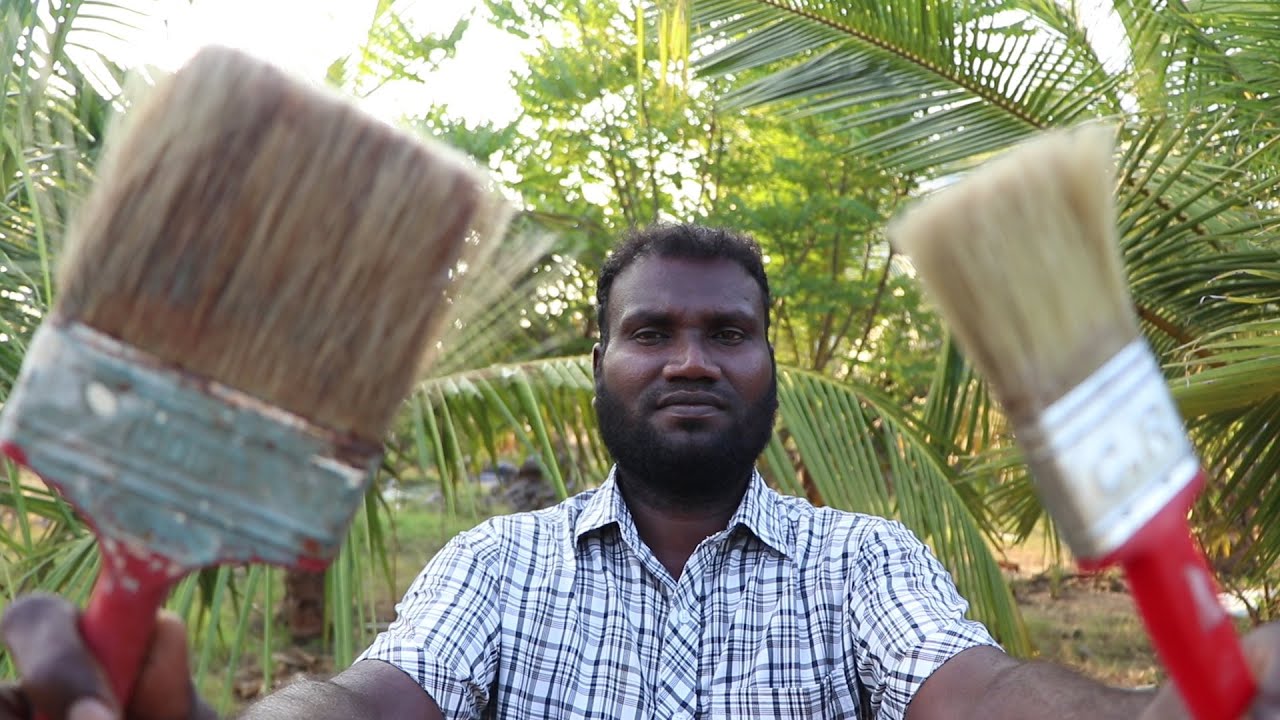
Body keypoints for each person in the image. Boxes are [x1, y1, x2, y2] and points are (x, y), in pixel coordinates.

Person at [3, 223, 1279, 720]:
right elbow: (362, 703)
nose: (690, 360)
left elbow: (982, 691)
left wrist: (1151, 716)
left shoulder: (861, 564)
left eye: (726, 334)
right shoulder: (496, 566)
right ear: (598, 366)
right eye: (650, 333)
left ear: (770, 368)